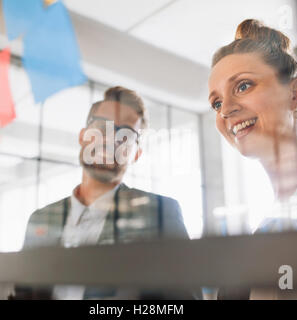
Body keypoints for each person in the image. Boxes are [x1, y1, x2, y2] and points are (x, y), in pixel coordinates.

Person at [18, 86, 196, 299]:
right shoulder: (40, 219)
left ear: (136, 154)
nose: (111, 140)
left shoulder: (160, 213)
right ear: (83, 136)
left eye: (125, 135)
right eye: (102, 127)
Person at [208, 19, 297, 299]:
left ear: (294, 94)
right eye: (217, 102)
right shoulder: (263, 234)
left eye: (243, 86)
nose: (225, 111)